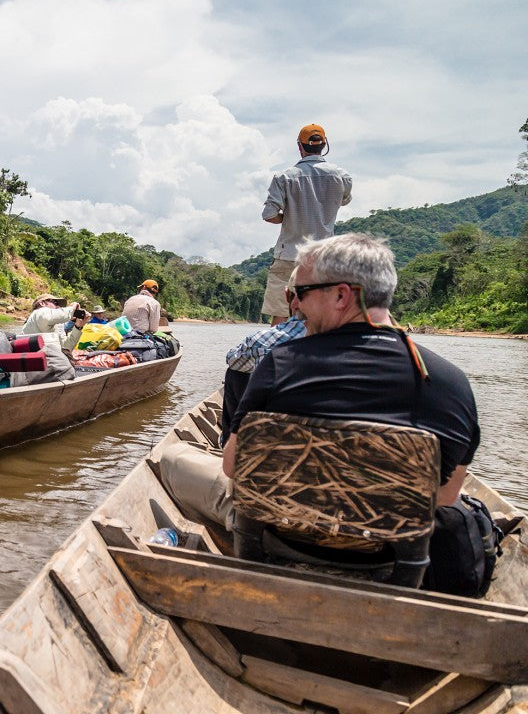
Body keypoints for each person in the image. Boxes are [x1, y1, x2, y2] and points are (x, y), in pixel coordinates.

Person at [158, 233, 479, 532]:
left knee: (174, 459)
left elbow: (232, 465)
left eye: (300, 293)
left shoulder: (283, 363)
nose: (294, 306)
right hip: (391, 555)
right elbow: (447, 497)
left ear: (341, 295)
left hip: (280, 537)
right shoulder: (452, 383)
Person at [261, 123, 352, 325]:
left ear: (299, 146)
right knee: (320, 315)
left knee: (280, 313)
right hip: (322, 258)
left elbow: (269, 215)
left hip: (288, 254)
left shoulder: (284, 177)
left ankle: (277, 354)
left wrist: (291, 215)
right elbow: (344, 200)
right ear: (324, 144)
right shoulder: (342, 177)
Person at [220, 268, 307, 445]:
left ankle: (230, 443)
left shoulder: (263, 339)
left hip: (271, 440)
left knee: (235, 372)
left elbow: (232, 359)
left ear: (288, 297)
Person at [22, 293, 90, 350]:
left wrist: (78, 327)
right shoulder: (38, 313)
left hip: (51, 360)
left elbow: (66, 348)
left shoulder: (57, 325)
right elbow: (46, 317)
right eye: (55, 303)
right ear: (42, 303)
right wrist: (71, 309)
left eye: (59, 305)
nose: (58, 307)